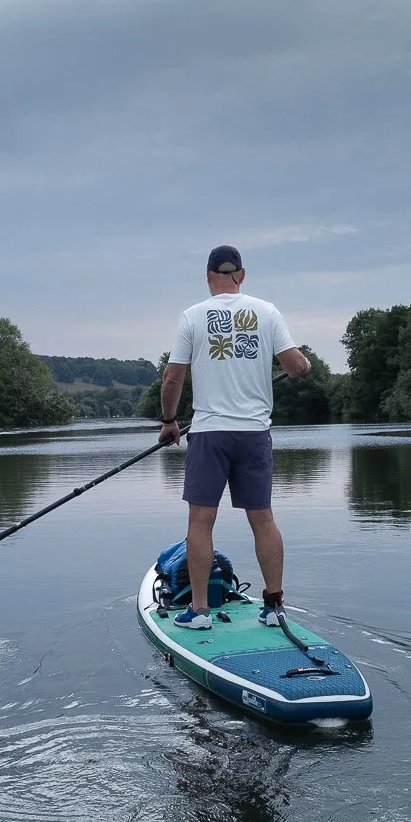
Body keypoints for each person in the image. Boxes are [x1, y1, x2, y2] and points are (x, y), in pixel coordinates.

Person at [158, 245, 311, 629]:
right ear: (241, 275)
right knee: (262, 520)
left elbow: (173, 377)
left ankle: (199, 612)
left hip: (209, 433)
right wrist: (305, 364)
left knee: (200, 522)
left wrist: (170, 421)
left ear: (208, 276)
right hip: (254, 434)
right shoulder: (267, 311)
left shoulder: (192, 316)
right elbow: (295, 367)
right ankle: (274, 606)